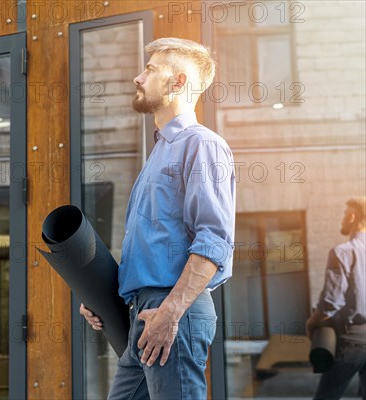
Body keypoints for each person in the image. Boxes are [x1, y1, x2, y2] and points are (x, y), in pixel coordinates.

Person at [80, 38, 236, 399]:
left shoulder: (202, 145)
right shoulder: (160, 153)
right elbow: (150, 249)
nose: (138, 77)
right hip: (145, 313)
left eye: (150, 70)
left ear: (178, 82)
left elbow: (213, 241)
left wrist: (171, 311)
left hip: (172, 312)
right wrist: (102, 297)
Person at [306, 197, 366, 400]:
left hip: (352, 340)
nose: (341, 219)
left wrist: (312, 322)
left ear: (352, 217)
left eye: (343, 214)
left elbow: (331, 302)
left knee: (326, 397)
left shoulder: (341, 252)